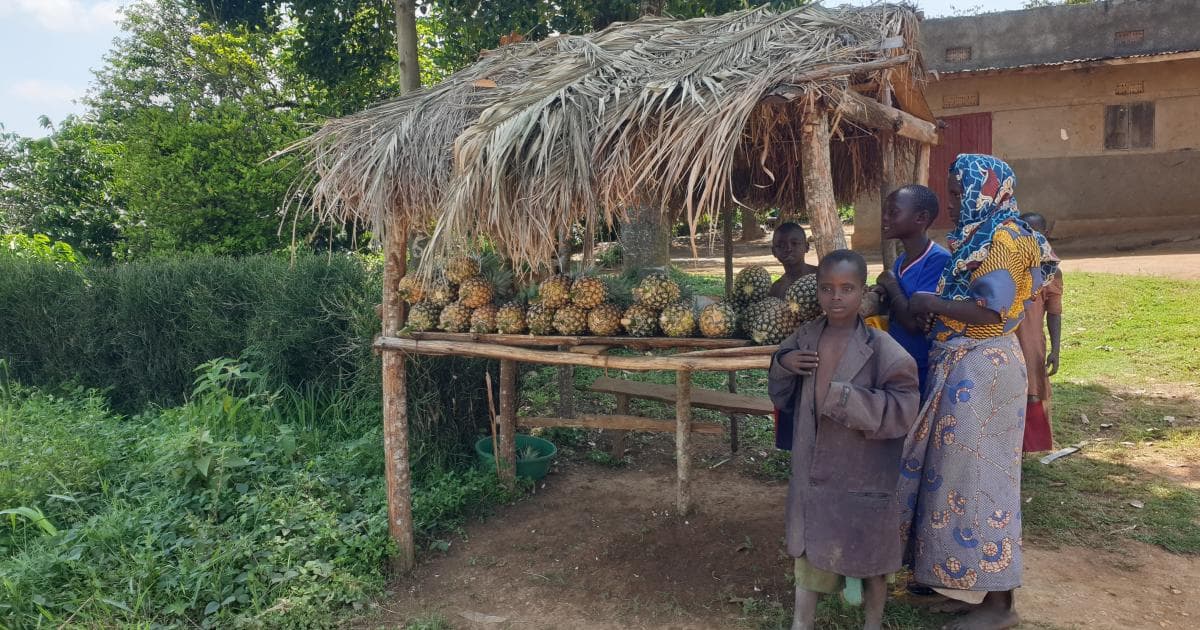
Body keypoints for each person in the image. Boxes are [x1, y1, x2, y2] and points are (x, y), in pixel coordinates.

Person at [899, 155, 1059, 630]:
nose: (951, 201)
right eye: (949, 192)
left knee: (988, 484)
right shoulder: (977, 237)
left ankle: (1000, 605)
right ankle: (977, 589)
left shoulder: (1004, 238)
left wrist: (931, 302)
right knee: (959, 481)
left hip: (984, 371)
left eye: (956, 192)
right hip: (966, 366)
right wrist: (940, 311)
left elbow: (995, 312)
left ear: (985, 191)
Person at [768, 249, 921, 630]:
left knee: (871, 557)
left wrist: (846, 399)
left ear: (863, 291)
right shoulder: (804, 338)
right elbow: (780, 391)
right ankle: (801, 624)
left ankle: (873, 623)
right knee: (810, 557)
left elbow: (904, 407)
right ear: (817, 291)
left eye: (847, 288)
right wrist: (784, 365)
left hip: (862, 473)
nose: (836, 297)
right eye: (827, 288)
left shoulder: (884, 349)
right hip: (815, 470)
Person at [874, 184, 952, 400]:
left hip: (920, 366)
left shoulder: (937, 261)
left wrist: (889, 283)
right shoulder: (902, 261)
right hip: (897, 363)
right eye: (885, 212)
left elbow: (911, 323)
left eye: (893, 212)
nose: (885, 218)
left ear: (921, 218)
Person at [1014, 212, 1062, 452]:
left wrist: (1056, 349)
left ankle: (1026, 449)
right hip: (1006, 339)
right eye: (1025, 232)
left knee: (1032, 390)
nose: (1031, 238)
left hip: (1031, 343)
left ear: (1045, 235)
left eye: (1036, 233)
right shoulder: (1008, 266)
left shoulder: (1051, 272)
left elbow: (1054, 312)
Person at [768, 222, 815, 298]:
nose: (788, 249)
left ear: (806, 247)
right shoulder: (776, 290)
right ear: (774, 252)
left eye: (794, 243)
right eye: (781, 245)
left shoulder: (822, 276)